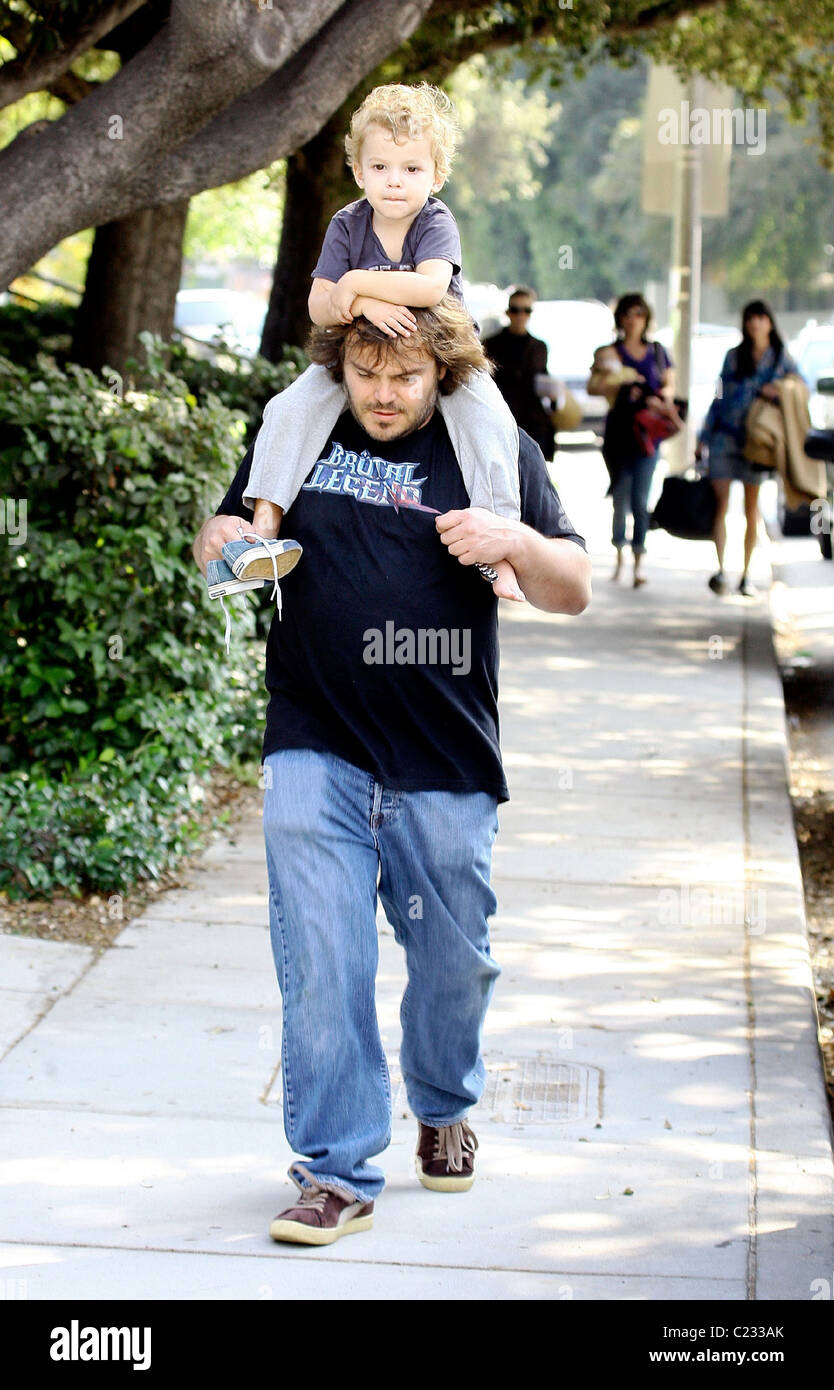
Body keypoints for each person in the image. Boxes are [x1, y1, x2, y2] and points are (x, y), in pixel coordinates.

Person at [192, 297, 591, 1246]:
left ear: (441, 373)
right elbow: (221, 535)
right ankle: (333, 1170)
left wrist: (517, 545)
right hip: (314, 737)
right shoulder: (297, 432)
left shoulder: (491, 448)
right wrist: (218, 545)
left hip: (445, 752)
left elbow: (572, 587)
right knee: (324, 961)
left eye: (403, 377)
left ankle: (445, 1104)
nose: (381, 394)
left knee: (454, 966)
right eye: (365, 374)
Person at [228, 81, 523, 604]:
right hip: (360, 353)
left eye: (412, 169)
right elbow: (321, 307)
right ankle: (264, 529)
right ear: (360, 171)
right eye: (381, 168)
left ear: (436, 175)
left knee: (491, 422)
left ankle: (498, 546)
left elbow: (430, 287)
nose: (395, 182)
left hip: (441, 356)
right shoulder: (347, 224)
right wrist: (358, 304)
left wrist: (356, 283)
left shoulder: (435, 220)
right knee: (288, 409)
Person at [697, 300, 799, 597]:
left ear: (769, 322)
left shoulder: (781, 358)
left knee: (751, 510)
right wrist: (703, 436)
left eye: (761, 318)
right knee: (721, 505)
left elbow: (798, 390)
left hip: (757, 444)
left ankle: (745, 575)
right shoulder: (733, 357)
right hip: (724, 438)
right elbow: (718, 397)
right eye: (750, 319)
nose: (755, 324)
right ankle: (721, 570)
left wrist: (776, 390)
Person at [588, 293, 675, 589]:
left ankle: (638, 560)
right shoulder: (610, 353)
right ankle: (619, 557)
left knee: (640, 499)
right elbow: (594, 387)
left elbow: (669, 388)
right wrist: (620, 380)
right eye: (627, 313)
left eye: (638, 313)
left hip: (647, 434)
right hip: (618, 434)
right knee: (621, 497)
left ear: (646, 317)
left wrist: (657, 400)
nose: (632, 319)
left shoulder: (659, 352)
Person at [483, 287, 556, 461]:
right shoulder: (491, 345)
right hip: (500, 420)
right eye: (516, 310)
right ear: (508, 313)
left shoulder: (539, 347)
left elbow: (541, 380)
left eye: (526, 310)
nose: (521, 315)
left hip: (532, 422)